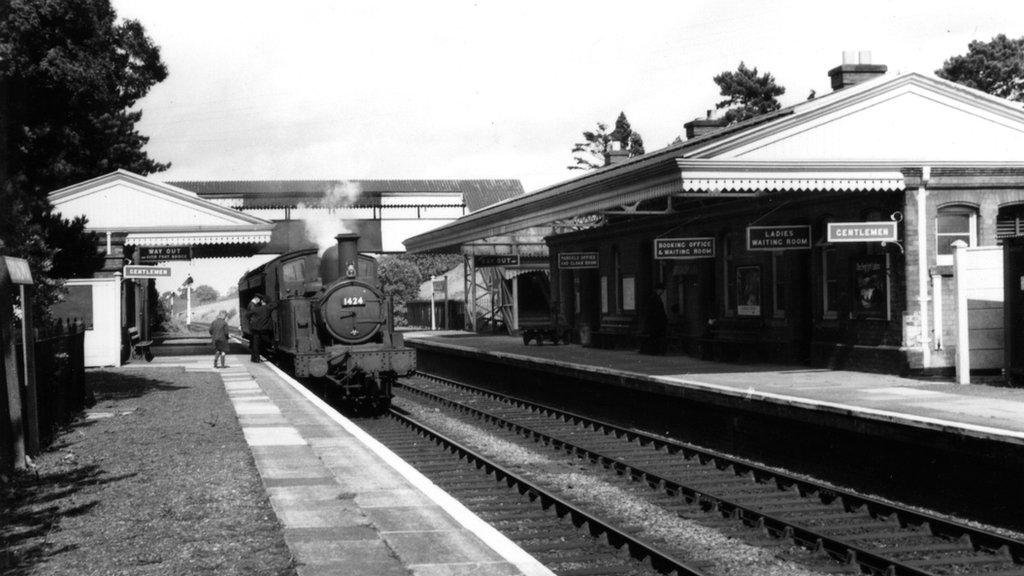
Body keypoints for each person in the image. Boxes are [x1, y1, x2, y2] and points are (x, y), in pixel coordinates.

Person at [640, 283, 668, 355]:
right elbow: (658, 310)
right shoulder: (656, 298)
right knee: (656, 337)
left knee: (654, 337)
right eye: (661, 290)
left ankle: (654, 350)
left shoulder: (653, 297)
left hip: (654, 322)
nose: (662, 292)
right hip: (656, 322)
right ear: (658, 290)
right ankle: (656, 351)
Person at [247, 294, 275, 363]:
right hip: (264, 329)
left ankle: (255, 358)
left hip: (256, 329)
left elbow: (247, 315)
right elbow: (275, 304)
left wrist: (254, 320)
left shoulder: (256, 308)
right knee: (258, 343)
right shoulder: (268, 308)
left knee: (255, 343)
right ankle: (273, 346)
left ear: (262, 302)